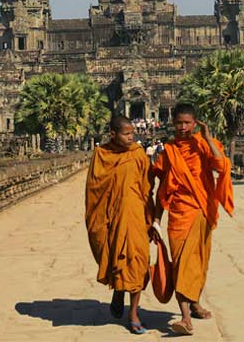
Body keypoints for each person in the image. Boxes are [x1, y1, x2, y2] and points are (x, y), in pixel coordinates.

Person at [150, 103, 234, 336]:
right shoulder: (168, 151)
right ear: (172, 122)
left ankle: (193, 304)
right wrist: (156, 219)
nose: (183, 127)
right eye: (179, 123)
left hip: (200, 210)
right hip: (178, 213)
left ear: (195, 123)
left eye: (188, 123)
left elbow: (221, 165)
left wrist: (207, 139)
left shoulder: (203, 145)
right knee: (181, 264)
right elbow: (161, 189)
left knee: (198, 262)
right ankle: (186, 318)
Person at [84, 116, 154, 335]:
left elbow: (147, 187)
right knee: (115, 258)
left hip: (134, 215)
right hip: (109, 217)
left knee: (138, 261)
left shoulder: (138, 153)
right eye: (126, 134)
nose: (131, 137)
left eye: (132, 133)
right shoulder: (101, 154)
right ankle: (118, 290)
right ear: (112, 134)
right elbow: (93, 189)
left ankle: (133, 314)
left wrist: (150, 218)